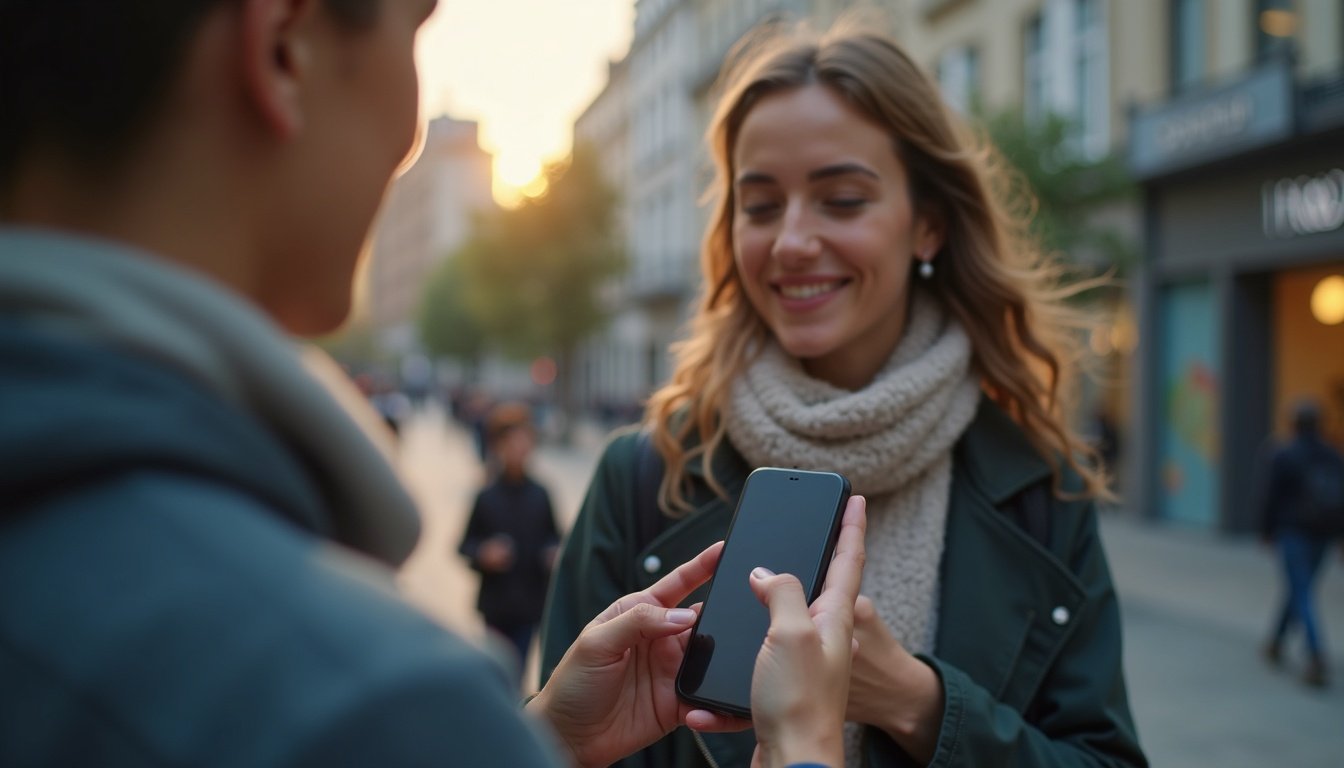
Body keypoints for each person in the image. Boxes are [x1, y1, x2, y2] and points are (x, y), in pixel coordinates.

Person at [0, 2, 869, 766]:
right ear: (283, 48)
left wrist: (546, 746)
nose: (411, 125)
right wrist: (799, 750)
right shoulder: (361, 701)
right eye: (413, 27)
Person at [541, 21, 1146, 768]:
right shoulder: (644, 477)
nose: (792, 240)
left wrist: (917, 702)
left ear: (927, 225)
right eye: (760, 206)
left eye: (842, 199)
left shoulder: (1037, 487)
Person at [460, 402, 562, 673]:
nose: (520, 449)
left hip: (531, 602)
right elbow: (464, 545)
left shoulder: (541, 493)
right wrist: (484, 553)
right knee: (498, 670)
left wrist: (553, 553)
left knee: (519, 671)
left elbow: (555, 536)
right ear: (499, 446)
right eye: (513, 443)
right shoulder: (487, 496)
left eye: (525, 443)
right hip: (497, 603)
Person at [1259, 399, 1344, 688]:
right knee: (1300, 587)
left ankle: (1316, 653)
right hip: (1323, 534)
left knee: (1302, 589)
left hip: (1294, 531)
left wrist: (1266, 531)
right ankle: (1276, 642)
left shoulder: (1284, 454)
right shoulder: (1333, 455)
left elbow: (1270, 497)